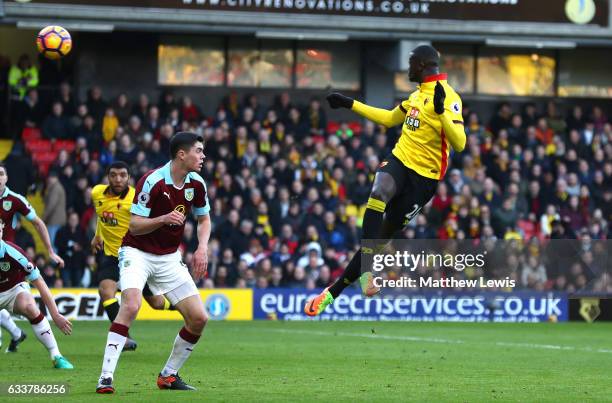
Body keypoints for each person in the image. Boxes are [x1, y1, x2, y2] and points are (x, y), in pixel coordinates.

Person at [304, 44, 466, 316]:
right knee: (379, 191)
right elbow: (390, 119)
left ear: (424, 65)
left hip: (424, 180)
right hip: (400, 161)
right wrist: (349, 103)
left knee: (379, 239)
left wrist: (441, 114)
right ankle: (366, 273)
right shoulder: (416, 96)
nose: (408, 68)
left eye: (412, 62)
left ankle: (332, 293)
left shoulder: (449, 98)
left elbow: (459, 143)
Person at [96, 132, 211, 394]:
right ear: (182, 154)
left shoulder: (197, 184)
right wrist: (163, 219)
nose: (203, 156)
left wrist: (202, 248)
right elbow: (134, 226)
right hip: (136, 252)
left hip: (169, 258)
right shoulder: (152, 181)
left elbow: (204, 219)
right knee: (132, 304)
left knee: (199, 318)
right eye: (199, 151)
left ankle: (168, 376)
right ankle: (105, 378)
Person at [91, 161, 177, 351]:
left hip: (135, 255)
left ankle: (176, 305)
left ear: (129, 177)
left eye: (123, 175)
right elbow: (101, 214)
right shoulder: (96, 193)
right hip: (111, 255)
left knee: (156, 303)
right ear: (108, 177)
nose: (118, 179)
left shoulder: (136, 199)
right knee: (106, 291)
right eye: (113, 175)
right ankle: (124, 336)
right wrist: (97, 235)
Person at [0, 163, 65, 352]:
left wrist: (50, 251)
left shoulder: (15, 199)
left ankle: (54, 353)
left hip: (8, 260)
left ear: (7, 178)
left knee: (27, 305)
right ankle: (15, 333)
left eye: (1, 173)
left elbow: (37, 223)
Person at [0, 219, 73, 368]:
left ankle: (56, 355)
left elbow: (39, 281)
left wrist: (55, 314)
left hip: (13, 290)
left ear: (1, 231)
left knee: (30, 307)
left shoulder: (13, 252)